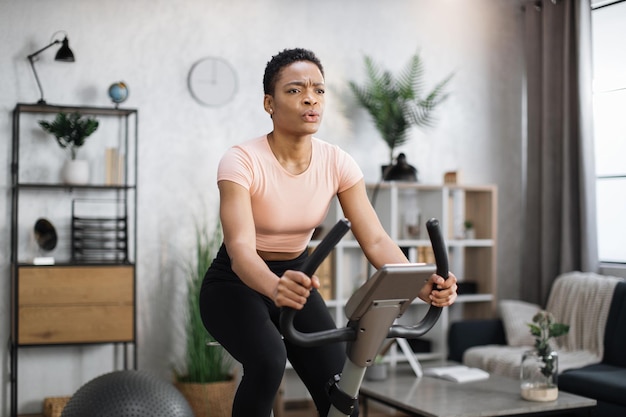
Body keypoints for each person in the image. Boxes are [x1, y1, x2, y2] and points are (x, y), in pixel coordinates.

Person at [199, 48, 458, 417]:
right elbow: (241, 252)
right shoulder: (241, 161)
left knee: (340, 386)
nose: (310, 98)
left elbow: (375, 239)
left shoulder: (337, 161)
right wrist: (274, 288)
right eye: (295, 90)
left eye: (319, 90)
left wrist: (420, 283)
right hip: (234, 285)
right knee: (269, 361)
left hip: (297, 282)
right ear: (268, 103)